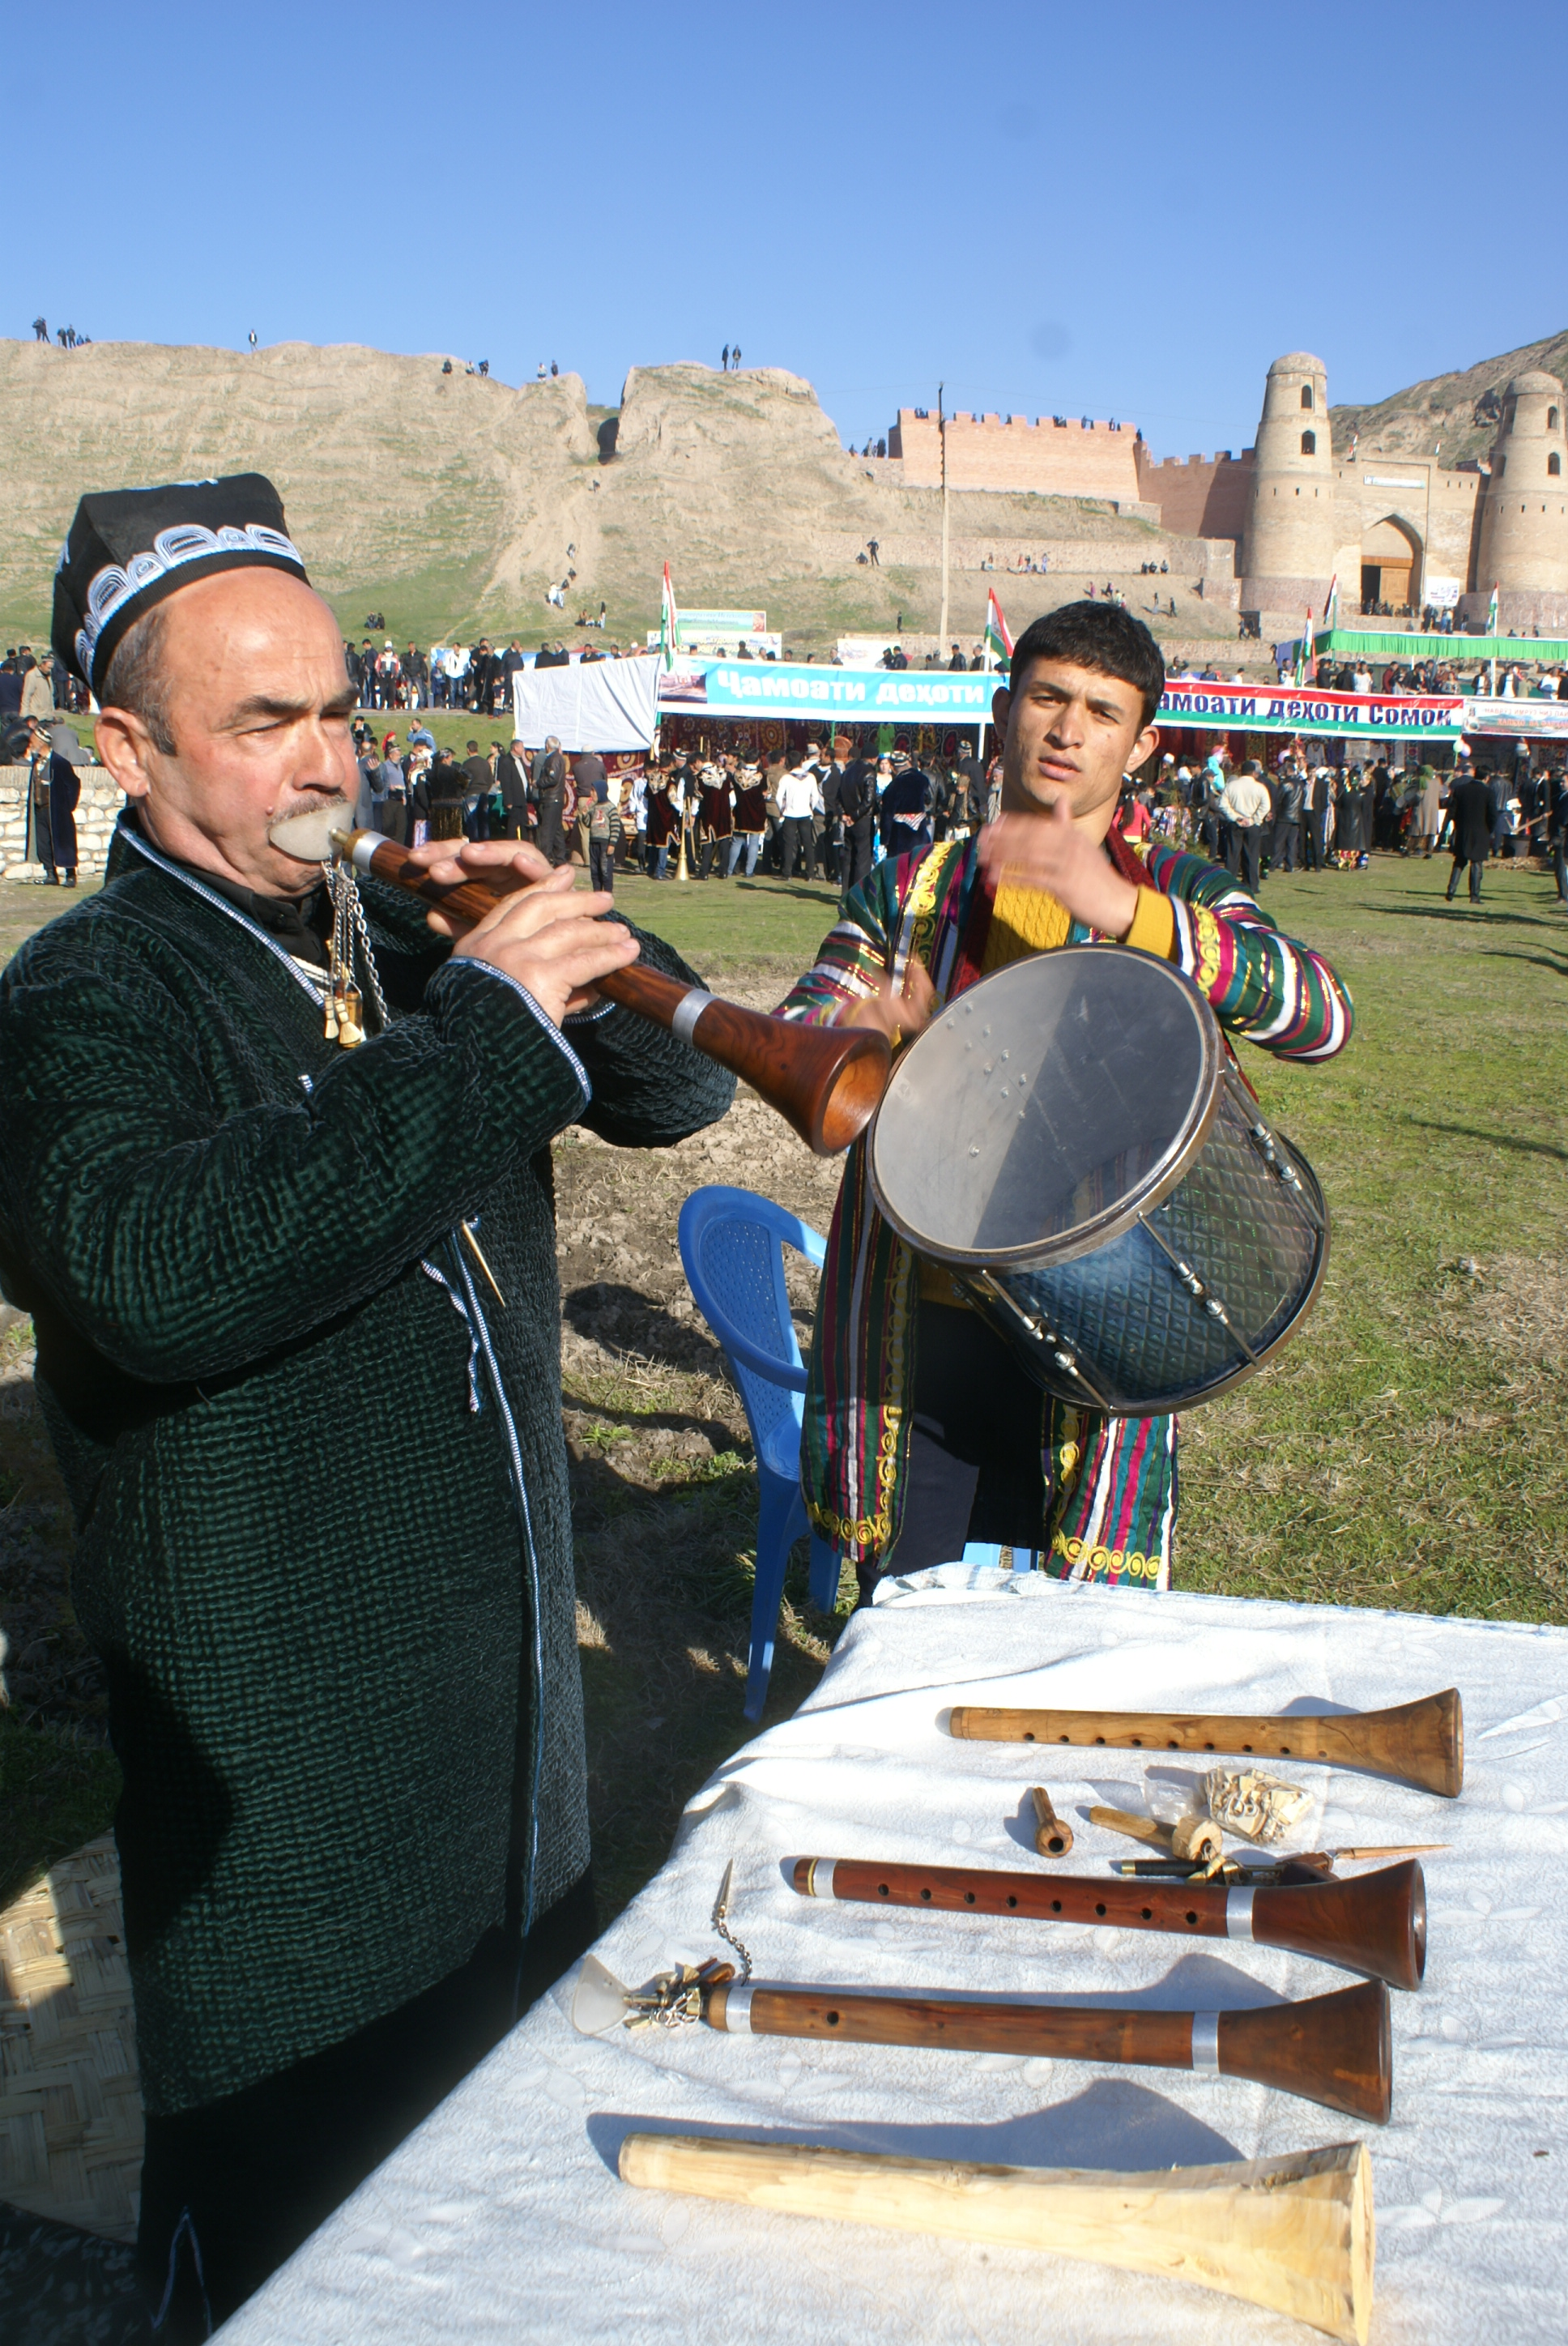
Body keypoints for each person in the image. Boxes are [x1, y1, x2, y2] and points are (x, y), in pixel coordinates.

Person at [0, 471, 734, 2341]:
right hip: (294, 1853)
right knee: (297, 2267)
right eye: (263, 723)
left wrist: (572, 938)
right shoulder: (80, 996)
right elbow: (159, 1267)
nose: (326, 758)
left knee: (500, 2256)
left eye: (338, 706)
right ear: (124, 743)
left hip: (509, 1779)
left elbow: (664, 1101)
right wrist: (482, 1037)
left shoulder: (391, 931)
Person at [774, 602, 1351, 1589]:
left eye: (1101, 710)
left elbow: (1320, 1015)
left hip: (1107, 1312)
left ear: (1142, 744)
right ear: (1005, 711)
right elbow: (804, 1046)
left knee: (1074, 1633)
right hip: (928, 1315)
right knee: (907, 1608)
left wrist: (1128, 911)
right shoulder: (909, 888)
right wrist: (866, 1033)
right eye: (1046, 697)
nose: (1067, 729)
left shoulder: (1178, 888)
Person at [1446, 766, 1497, 902]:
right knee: (1477, 863)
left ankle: (1451, 890)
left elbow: (1453, 811)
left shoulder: (1461, 790)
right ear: (1486, 778)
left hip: (1463, 830)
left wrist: (1457, 826)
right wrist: (1489, 830)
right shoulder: (1488, 793)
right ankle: (1474, 895)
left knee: (1459, 862)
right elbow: (1493, 815)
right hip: (1481, 831)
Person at [1221, 760, 1271, 893]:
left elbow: (1223, 804)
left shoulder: (1231, 786)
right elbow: (1266, 806)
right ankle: (1252, 884)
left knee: (1232, 855)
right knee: (1252, 855)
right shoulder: (1260, 788)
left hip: (1235, 823)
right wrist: (1254, 819)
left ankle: (1228, 883)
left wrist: (1236, 817)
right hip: (1252, 825)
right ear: (1254, 773)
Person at [777, 756, 822, 881]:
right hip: (805, 814)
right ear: (801, 762)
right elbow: (816, 797)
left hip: (790, 814)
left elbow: (778, 797)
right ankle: (810, 874)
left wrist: (782, 809)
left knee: (788, 844)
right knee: (807, 844)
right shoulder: (811, 777)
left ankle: (787, 873)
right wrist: (810, 808)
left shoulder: (786, 778)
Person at [532, 736, 567, 864]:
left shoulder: (554, 759)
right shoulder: (557, 758)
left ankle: (543, 860)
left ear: (547, 745)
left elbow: (553, 778)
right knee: (557, 832)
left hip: (552, 799)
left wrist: (538, 783)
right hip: (555, 799)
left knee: (546, 831)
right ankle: (560, 860)